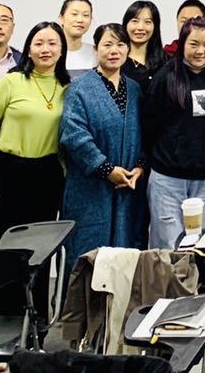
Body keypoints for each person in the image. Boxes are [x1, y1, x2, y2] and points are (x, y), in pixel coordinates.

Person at [0, 21, 69, 317]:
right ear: (28, 49)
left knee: (36, 253)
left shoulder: (68, 88)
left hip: (46, 177)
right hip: (6, 174)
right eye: (39, 43)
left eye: (52, 43)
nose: (45, 49)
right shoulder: (12, 81)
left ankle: (31, 322)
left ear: (62, 50)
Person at [60, 23, 146, 263]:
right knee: (87, 256)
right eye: (107, 45)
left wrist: (140, 166)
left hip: (127, 186)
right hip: (90, 188)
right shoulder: (79, 89)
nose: (114, 51)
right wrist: (106, 169)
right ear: (96, 49)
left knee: (124, 258)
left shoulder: (135, 90)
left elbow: (145, 132)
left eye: (120, 45)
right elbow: (74, 136)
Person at [142, 16, 205, 249]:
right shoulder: (165, 77)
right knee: (169, 245)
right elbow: (149, 125)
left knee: (198, 246)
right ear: (182, 44)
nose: (200, 51)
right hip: (167, 178)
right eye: (194, 44)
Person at [122, 0, 168, 86]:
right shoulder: (118, 60)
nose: (140, 27)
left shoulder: (166, 60)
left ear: (155, 26)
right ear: (126, 24)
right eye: (135, 21)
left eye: (147, 22)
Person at [60, 0, 95, 75]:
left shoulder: (96, 53)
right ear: (61, 18)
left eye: (85, 15)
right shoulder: (50, 52)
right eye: (74, 14)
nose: (80, 20)